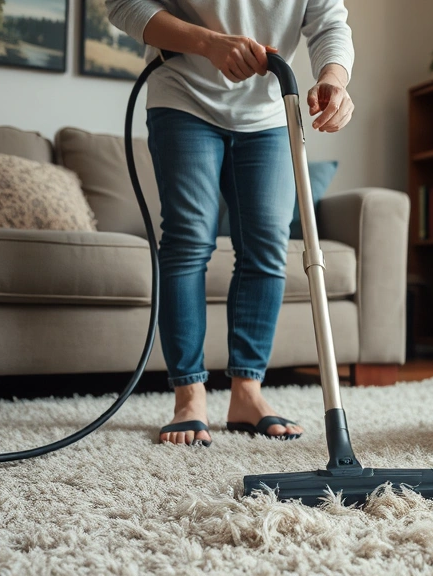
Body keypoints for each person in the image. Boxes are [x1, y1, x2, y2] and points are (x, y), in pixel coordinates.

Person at [106, 0, 355, 446]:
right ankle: (189, 396)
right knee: (188, 240)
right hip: (183, 95)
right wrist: (207, 43)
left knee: (266, 248)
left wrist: (334, 78)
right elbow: (124, 5)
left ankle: (247, 393)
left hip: (270, 111)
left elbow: (328, 22)